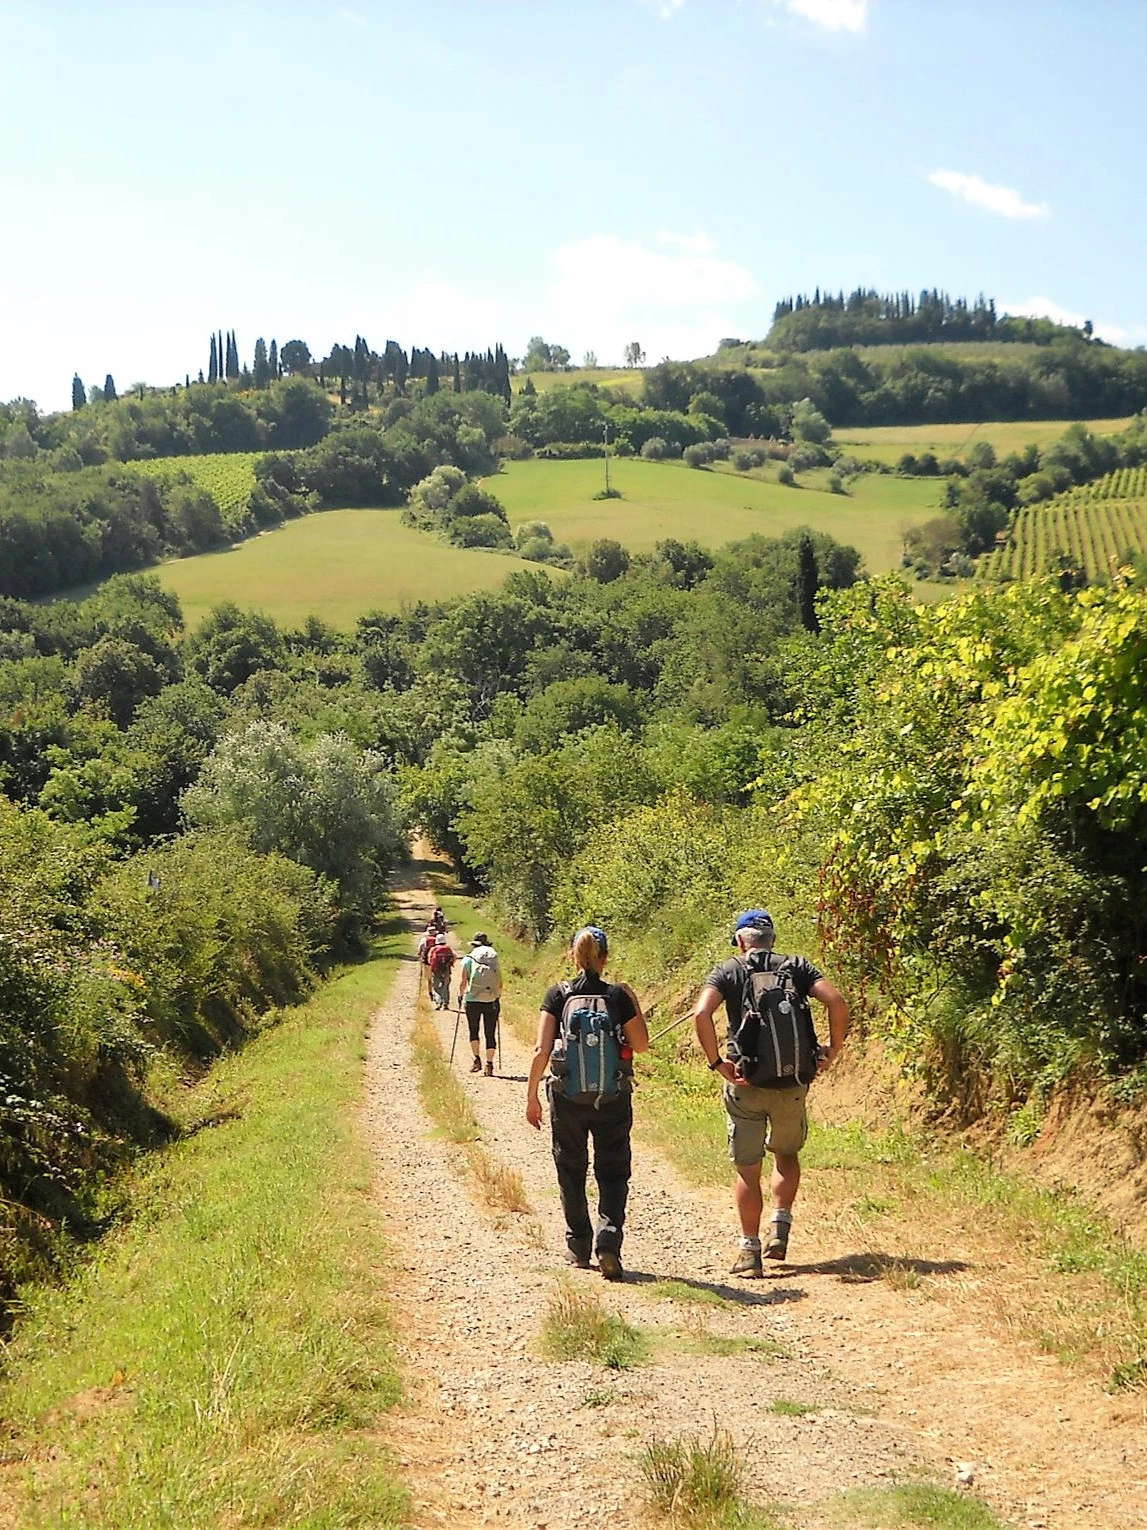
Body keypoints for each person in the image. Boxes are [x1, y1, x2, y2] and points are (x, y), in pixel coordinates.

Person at [693, 909, 849, 1277]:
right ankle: (780, 1225)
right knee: (786, 1154)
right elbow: (837, 1002)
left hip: (747, 1084)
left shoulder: (728, 970)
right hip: (792, 1083)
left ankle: (750, 1251)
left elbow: (702, 1014)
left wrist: (718, 1063)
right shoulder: (796, 967)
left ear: (739, 940)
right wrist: (833, 1050)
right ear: (772, 939)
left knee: (748, 1170)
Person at [526, 926, 648, 1281]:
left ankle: (579, 1246)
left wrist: (531, 1095)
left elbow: (541, 1050)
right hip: (612, 1097)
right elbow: (640, 1044)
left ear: (573, 956)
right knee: (612, 1171)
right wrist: (634, 1003)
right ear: (605, 958)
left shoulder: (558, 995)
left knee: (570, 1168)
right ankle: (608, 1241)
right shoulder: (617, 996)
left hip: (567, 1098)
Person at [456, 932, 503, 1076]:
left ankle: (477, 1060)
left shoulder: (468, 959)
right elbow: (500, 982)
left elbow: (463, 982)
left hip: (472, 1000)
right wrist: (496, 995)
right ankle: (489, 1065)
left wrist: (460, 995)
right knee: (490, 1033)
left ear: (474, 945)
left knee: (474, 1030)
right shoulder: (493, 959)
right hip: (491, 1000)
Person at [428, 932, 455, 1010]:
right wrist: (450, 964)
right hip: (446, 969)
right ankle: (446, 1003)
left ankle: (438, 1002)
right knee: (446, 986)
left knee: (436, 986)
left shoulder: (433, 949)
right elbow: (454, 957)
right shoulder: (448, 948)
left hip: (436, 970)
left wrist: (433, 966)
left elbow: (430, 959)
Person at [417, 923, 436, 1000]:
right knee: (436, 977)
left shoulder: (423, 940)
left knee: (429, 979)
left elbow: (419, 950)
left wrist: (420, 956)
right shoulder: (438, 939)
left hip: (426, 962)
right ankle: (437, 993)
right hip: (436, 962)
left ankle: (430, 993)